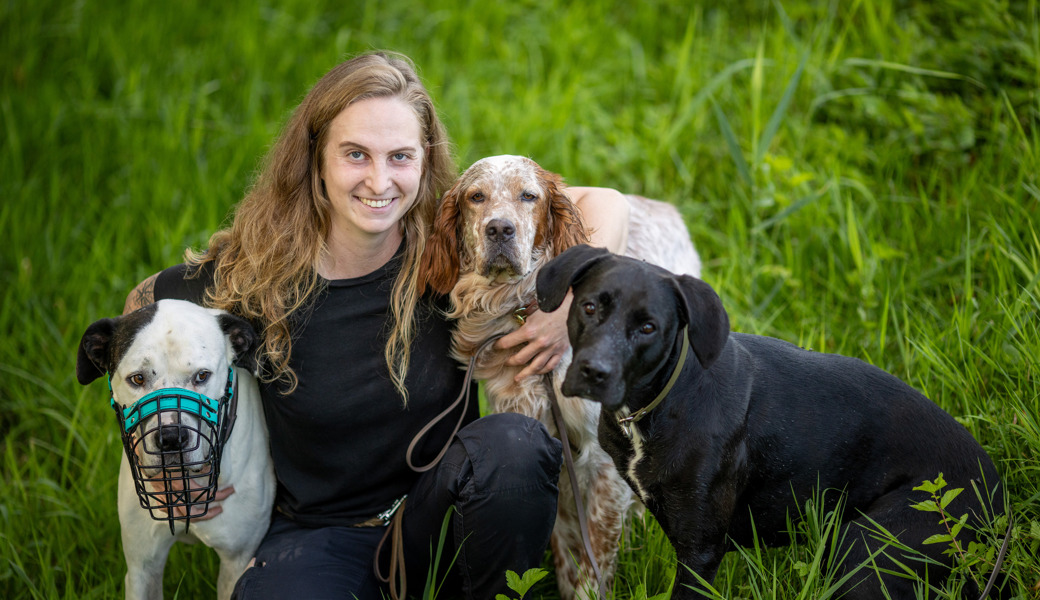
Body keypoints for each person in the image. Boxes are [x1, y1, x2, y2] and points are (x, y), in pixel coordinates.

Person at [123, 51, 630, 599]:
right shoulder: (253, 275)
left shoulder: (447, 247)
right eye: (356, 155)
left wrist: (568, 300)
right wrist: (162, 446)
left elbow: (607, 202)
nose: (379, 180)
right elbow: (140, 308)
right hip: (316, 536)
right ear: (315, 159)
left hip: (442, 518)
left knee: (515, 445)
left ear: (423, 162)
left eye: (400, 157)